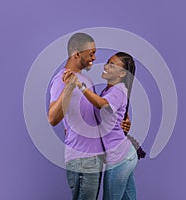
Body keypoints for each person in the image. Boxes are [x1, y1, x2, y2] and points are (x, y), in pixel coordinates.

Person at [48, 33, 131, 200]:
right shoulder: (62, 80)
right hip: (82, 159)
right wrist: (69, 87)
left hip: (95, 158)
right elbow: (53, 118)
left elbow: (98, 111)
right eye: (91, 53)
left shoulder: (85, 79)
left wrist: (122, 120)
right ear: (77, 54)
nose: (95, 57)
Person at [64, 52, 138, 200]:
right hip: (126, 156)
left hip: (119, 160)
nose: (106, 66)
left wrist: (80, 85)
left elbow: (102, 104)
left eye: (112, 65)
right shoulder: (109, 91)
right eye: (107, 62)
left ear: (122, 73)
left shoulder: (117, 90)